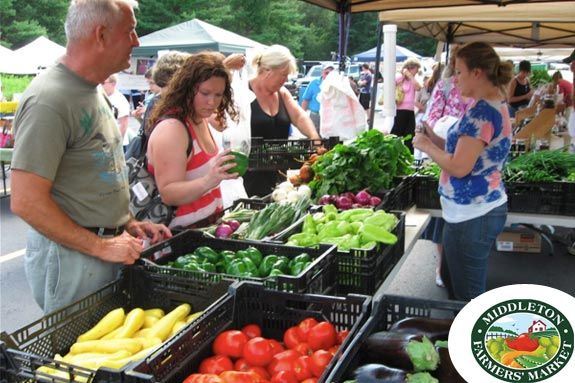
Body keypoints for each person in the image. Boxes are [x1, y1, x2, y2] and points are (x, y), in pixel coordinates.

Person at [10, 0, 171, 314]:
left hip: (102, 248)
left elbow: (91, 170)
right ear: (100, 34)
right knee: (77, 357)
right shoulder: (50, 99)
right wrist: (100, 245)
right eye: (131, 31)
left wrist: (126, 223)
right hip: (75, 257)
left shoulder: (91, 89)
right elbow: (26, 201)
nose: (137, 41)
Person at [413, 41, 513, 301]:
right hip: (470, 213)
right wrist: (434, 138)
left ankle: (468, 338)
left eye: (459, 72)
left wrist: (425, 146)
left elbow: (459, 167)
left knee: (467, 296)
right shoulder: (488, 105)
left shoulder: (482, 112)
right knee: (452, 281)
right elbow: (463, 151)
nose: (454, 80)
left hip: (473, 216)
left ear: (477, 73)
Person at [146, 52, 240, 229]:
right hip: (179, 239)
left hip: (207, 230)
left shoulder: (200, 119)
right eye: (205, 93)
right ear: (188, 89)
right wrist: (210, 179)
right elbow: (169, 193)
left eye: (218, 95)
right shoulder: (172, 129)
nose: (212, 102)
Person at [420, 49, 475, 289]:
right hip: (443, 149)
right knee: (444, 216)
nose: (458, 74)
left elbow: (461, 166)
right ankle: (443, 264)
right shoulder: (444, 86)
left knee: (458, 218)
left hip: (461, 159)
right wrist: (432, 139)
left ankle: (457, 271)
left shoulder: (482, 100)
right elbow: (432, 116)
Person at [247, 45, 320, 140]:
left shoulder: (283, 93)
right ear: (268, 70)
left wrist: (314, 136)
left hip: (282, 153)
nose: (286, 80)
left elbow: (299, 117)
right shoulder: (243, 91)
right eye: (284, 75)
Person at [390, 58, 422, 153]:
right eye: (415, 70)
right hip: (400, 110)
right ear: (410, 68)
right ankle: (392, 152)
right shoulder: (399, 77)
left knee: (410, 135)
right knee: (397, 133)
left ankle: (409, 155)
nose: (416, 73)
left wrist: (411, 76)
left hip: (410, 110)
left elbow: (418, 87)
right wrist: (405, 74)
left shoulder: (413, 80)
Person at [101, 74, 131, 149]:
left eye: (103, 83)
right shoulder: (102, 96)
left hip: (116, 144)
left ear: (113, 84)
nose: (100, 86)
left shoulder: (120, 100)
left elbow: (123, 124)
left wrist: (117, 144)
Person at [301, 64, 334, 133]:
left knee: (329, 138)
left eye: (331, 73)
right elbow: (306, 100)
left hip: (330, 116)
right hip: (315, 115)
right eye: (326, 73)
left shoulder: (336, 85)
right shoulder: (314, 83)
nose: (328, 75)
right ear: (322, 73)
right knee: (314, 137)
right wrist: (302, 116)